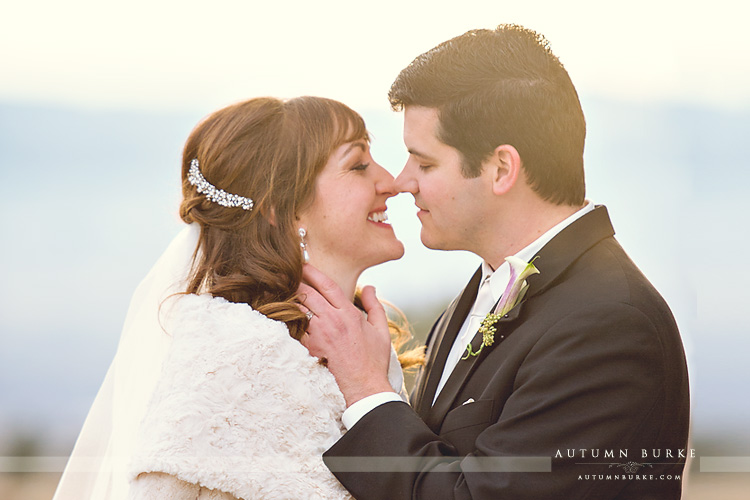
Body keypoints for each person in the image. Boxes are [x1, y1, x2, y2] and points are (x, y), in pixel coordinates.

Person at [300, 25, 691, 499]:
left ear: (501, 169)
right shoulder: (484, 291)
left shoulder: (609, 324)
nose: (403, 182)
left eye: (424, 164)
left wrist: (364, 387)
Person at [52, 96, 421, 500]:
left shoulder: (354, 340)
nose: (391, 181)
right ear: (281, 209)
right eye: (358, 165)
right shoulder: (237, 356)